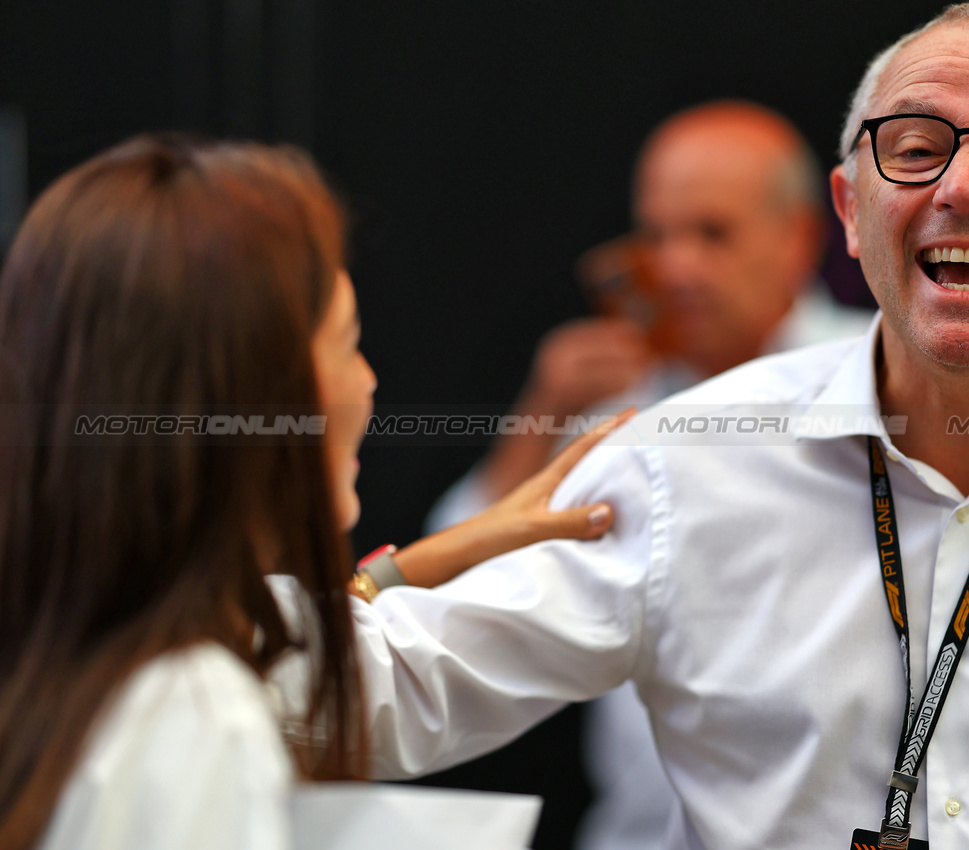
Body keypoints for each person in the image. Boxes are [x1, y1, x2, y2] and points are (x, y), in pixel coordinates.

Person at [343, 4, 969, 848]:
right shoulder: (678, 465)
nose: (964, 186)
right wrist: (349, 579)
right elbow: (372, 700)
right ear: (849, 215)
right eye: (913, 149)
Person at [0, 135, 623, 850]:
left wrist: (433, 556)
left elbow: (290, 641)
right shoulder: (195, 712)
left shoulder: (72, 639)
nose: (369, 381)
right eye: (348, 343)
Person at [425, 101, 873, 849]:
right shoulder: (607, 396)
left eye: (711, 233)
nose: (674, 266)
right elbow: (449, 585)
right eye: (656, 234)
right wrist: (541, 415)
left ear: (799, 235)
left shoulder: (880, 382)